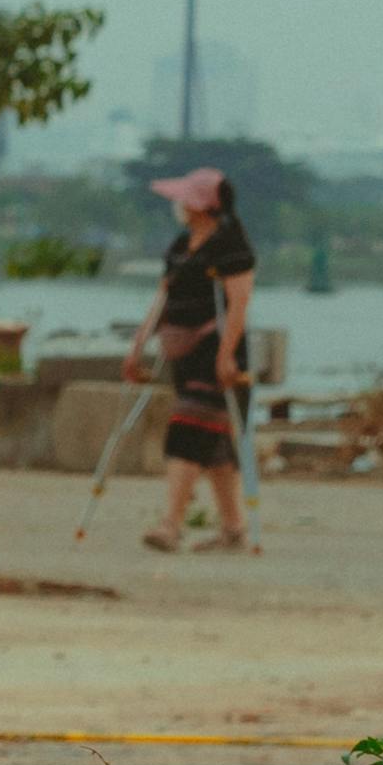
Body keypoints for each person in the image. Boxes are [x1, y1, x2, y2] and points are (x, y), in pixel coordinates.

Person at [136, 165, 257, 553]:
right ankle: (234, 529)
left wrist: (226, 355)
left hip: (216, 353)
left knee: (187, 429)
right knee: (213, 443)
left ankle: (170, 524)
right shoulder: (179, 245)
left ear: (201, 205)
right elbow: (163, 297)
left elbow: (238, 304)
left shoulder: (230, 246)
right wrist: (137, 346)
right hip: (182, 353)